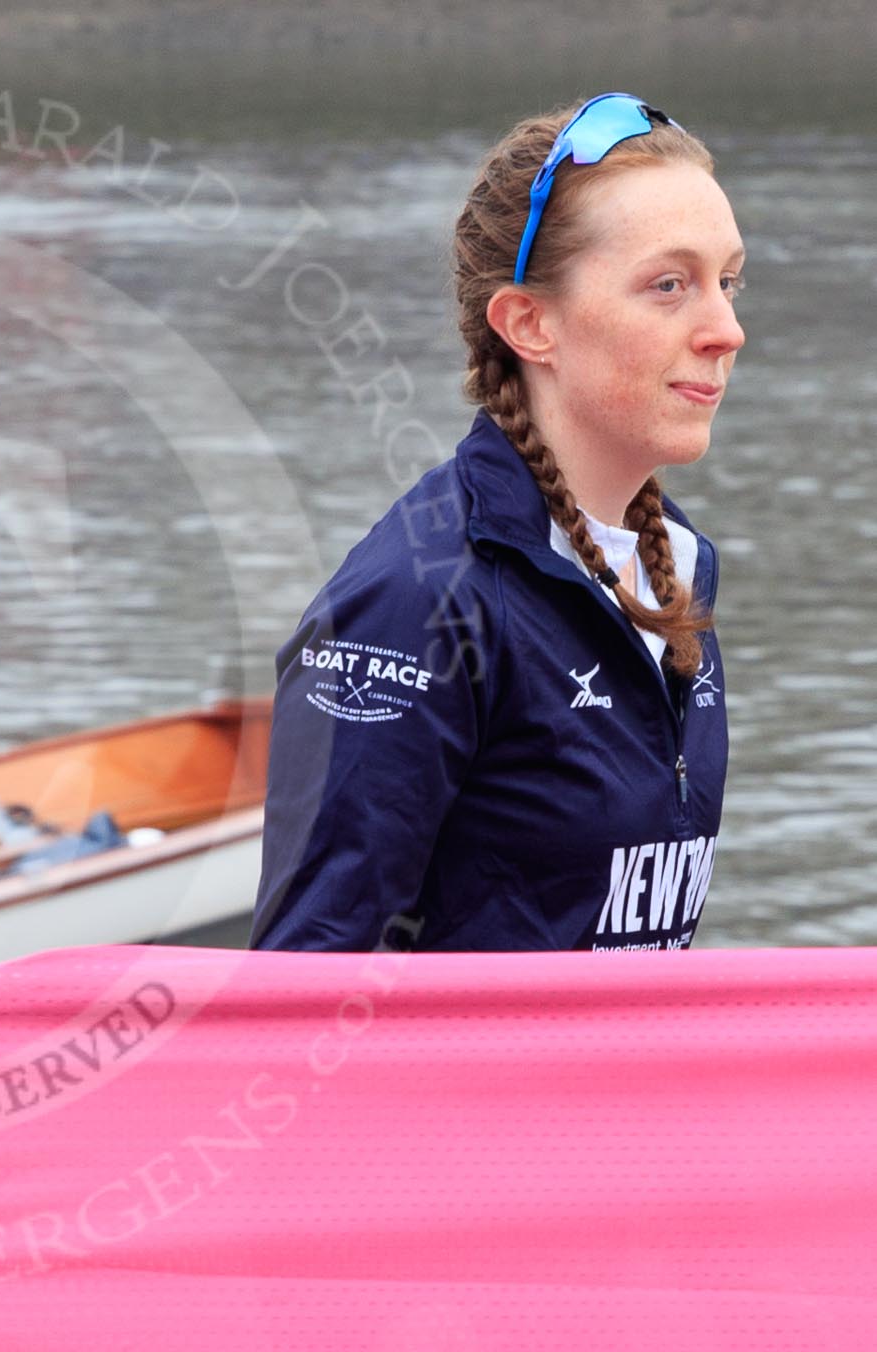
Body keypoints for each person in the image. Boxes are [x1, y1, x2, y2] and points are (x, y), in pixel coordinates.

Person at [253, 93, 738, 952]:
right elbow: (304, 989)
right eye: (670, 285)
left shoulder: (678, 567)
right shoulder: (418, 604)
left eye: (728, 282)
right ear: (529, 324)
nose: (725, 330)